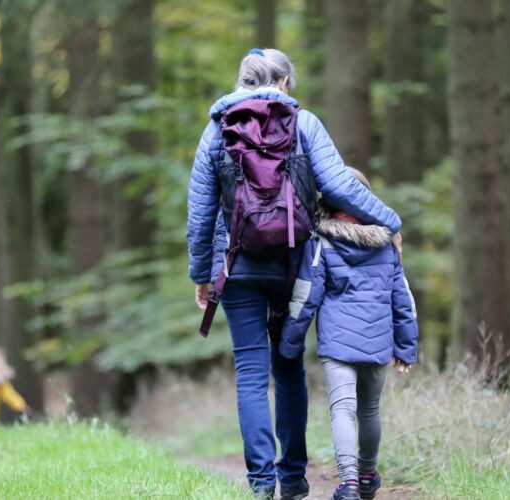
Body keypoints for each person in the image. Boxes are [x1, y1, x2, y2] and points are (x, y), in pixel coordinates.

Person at [186, 48, 402, 499]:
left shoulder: (216, 130)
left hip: (237, 264)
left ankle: (261, 484)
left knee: (250, 371)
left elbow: (201, 212)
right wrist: (390, 221)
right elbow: (340, 185)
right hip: (294, 265)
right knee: (288, 369)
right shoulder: (305, 123)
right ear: (284, 81)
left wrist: (201, 274)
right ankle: (293, 478)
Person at [279, 168, 418, 500]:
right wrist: (406, 345)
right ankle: (368, 475)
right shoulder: (387, 244)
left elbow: (305, 295)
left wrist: (289, 341)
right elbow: (403, 299)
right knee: (369, 410)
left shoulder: (321, 242)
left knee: (342, 409)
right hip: (379, 342)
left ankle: (349, 483)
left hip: (338, 344)